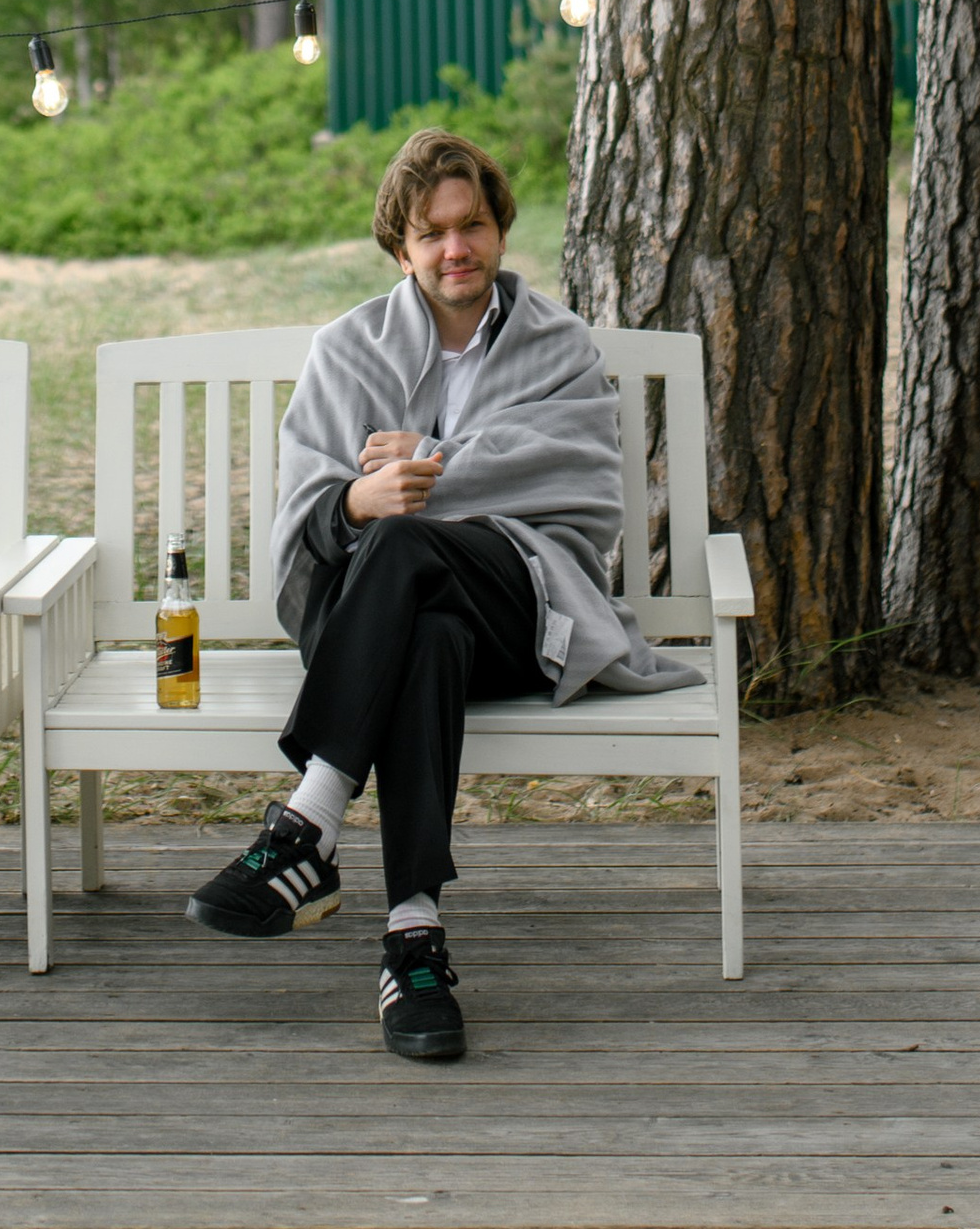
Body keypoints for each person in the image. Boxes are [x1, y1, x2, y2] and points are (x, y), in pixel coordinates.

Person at [183, 126, 697, 1060]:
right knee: (422, 626)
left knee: (414, 546)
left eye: (472, 226)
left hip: (526, 603)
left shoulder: (558, 344)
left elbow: (580, 480)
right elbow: (303, 511)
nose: (455, 248)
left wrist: (432, 470)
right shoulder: (348, 349)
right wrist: (353, 501)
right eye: (432, 233)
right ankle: (413, 941)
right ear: (401, 246)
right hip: (391, 633)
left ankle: (310, 820)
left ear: (500, 230)